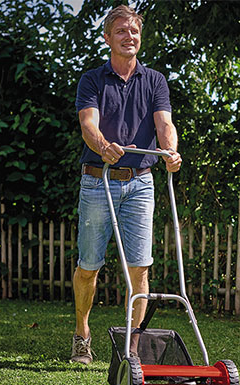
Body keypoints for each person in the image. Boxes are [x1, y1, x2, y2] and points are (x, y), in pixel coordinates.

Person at [70, 5, 182, 365]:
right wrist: (104, 148)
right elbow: (89, 125)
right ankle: (82, 334)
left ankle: (132, 351)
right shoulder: (92, 80)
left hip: (141, 183)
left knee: (140, 267)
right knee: (89, 265)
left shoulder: (155, 81)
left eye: (134, 31)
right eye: (121, 32)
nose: (129, 37)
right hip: (98, 182)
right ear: (108, 38)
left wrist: (171, 151)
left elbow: (164, 123)